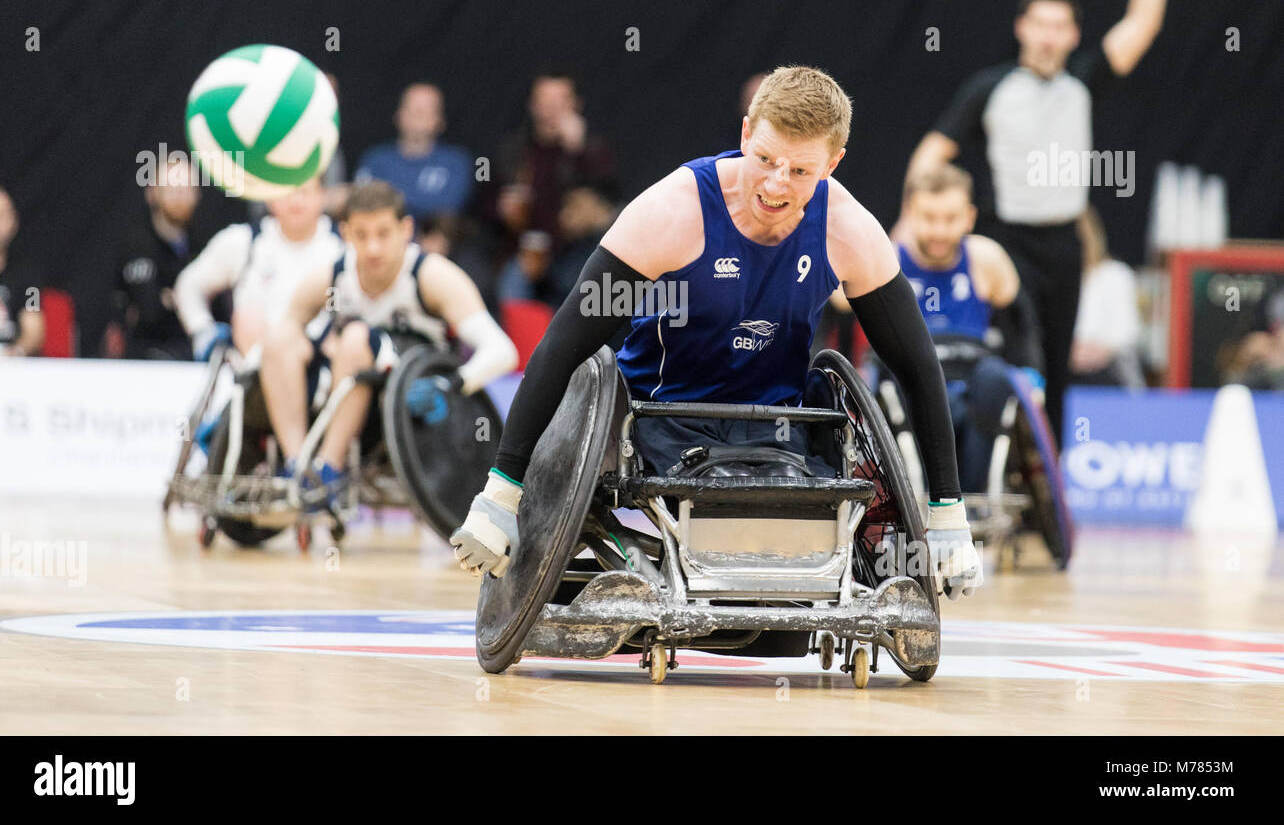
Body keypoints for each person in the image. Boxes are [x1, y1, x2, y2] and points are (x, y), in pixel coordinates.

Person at [453, 65, 983, 599]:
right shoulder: (672, 210)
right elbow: (563, 347)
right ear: (747, 133)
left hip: (775, 430)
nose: (777, 184)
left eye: (801, 171)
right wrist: (500, 496)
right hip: (654, 419)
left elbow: (916, 366)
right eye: (766, 160)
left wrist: (948, 513)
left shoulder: (847, 228)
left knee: (783, 613)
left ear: (833, 164)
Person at [901, 0, 1172, 441]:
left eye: (1060, 26)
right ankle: (999, 464)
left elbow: (1142, 28)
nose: (1049, 37)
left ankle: (1050, 485)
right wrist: (910, 219)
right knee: (1020, 359)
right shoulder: (991, 88)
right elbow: (935, 149)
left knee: (1060, 364)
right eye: (1039, 24)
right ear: (1023, 28)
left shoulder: (1081, 82)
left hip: (1065, 243)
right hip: (1007, 240)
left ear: (1072, 34)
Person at [260, 182, 517, 497]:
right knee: (278, 337)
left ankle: (329, 467)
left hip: (413, 405)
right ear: (345, 233)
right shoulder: (330, 276)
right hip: (344, 398)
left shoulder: (431, 275)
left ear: (405, 229)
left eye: (383, 233)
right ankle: (297, 465)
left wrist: (451, 384)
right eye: (361, 235)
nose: (372, 248)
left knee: (355, 338)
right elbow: (283, 340)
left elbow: (502, 351)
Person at [895, 164, 1043, 491]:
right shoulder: (886, 260)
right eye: (929, 217)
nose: (939, 231)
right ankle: (917, 491)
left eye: (950, 219)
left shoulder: (986, 258)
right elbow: (839, 317)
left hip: (972, 367)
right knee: (897, 381)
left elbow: (1021, 327)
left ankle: (976, 496)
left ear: (969, 217)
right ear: (909, 214)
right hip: (912, 367)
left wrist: (1033, 376)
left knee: (997, 378)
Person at [173, 177, 343, 360]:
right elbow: (189, 284)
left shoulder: (343, 247)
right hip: (252, 363)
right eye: (287, 192)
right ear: (269, 196)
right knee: (249, 320)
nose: (296, 201)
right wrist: (202, 330)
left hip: (322, 359)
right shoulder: (244, 240)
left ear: (322, 195)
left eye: (304, 192)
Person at [494, 71, 618, 242]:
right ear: (532, 105)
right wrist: (504, 213)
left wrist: (579, 150)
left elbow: (611, 195)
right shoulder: (514, 149)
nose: (551, 110)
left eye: (559, 102)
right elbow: (487, 204)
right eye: (544, 102)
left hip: (579, 247)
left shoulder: (593, 149)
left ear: (576, 104)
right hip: (526, 246)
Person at [111, 156, 201, 360]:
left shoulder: (204, 245)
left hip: (197, 354)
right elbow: (148, 312)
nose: (180, 197)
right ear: (152, 193)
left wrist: (172, 298)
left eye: (187, 189)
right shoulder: (137, 245)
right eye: (172, 189)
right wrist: (188, 297)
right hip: (148, 359)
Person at [355, 83, 475, 221]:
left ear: (440, 120)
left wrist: (387, 198)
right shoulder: (375, 158)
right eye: (411, 107)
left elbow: (449, 209)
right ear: (398, 115)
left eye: (425, 109)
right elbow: (361, 204)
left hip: (429, 239)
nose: (417, 114)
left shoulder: (457, 162)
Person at [1070, 206, 1144, 388]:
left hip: (1108, 370)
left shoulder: (1115, 275)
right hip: (1063, 365)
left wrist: (1096, 351)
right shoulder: (1051, 281)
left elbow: (1127, 331)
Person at [0, 185, 44, 358]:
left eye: (0, 216)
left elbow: (33, 329)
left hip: (9, 368)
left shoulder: (28, 278)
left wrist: (15, 352)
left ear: (13, 222)